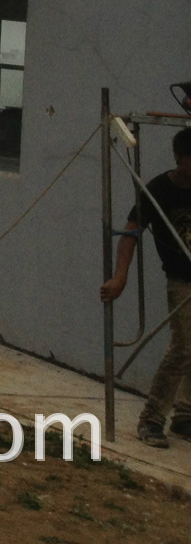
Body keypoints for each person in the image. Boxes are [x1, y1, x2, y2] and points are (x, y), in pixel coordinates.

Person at [102, 126, 191, 447]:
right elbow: (130, 233)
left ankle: (185, 416)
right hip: (181, 279)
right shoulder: (159, 190)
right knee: (183, 348)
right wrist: (120, 276)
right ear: (178, 158)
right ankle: (152, 419)